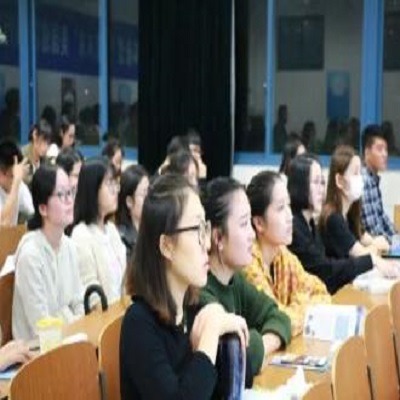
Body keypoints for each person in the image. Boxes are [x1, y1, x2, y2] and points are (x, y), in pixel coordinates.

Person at [120, 174, 249, 400]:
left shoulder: (193, 308)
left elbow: (239, 382)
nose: (207, 243)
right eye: (197, 230)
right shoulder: (138, 323)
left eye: (205, 228)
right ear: (167, 246)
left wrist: (224, 331)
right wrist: (210, 335)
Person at [199, 177, 291, 377]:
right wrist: (260, 346)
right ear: (218, 237)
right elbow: (236, 358)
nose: (252, 234)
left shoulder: (235, 279)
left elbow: (279, 316)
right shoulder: (200, 291)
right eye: (243, 224)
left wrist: (258, 343)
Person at [244, 171, 330, 337]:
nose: (290, 216)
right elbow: (278, 320)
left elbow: (321, 292)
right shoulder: (249, 264)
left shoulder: (282, 255)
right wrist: (304, 302)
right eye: (281, 208)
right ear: (259, 223)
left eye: (288, 205)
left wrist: (295, 306)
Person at [288, 154, 380, 294]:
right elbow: (324, 270)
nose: (321, 189)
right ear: (300, 185)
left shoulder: (309, 223)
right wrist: (370, 260)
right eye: (316, 182)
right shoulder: (294, 227)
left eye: (322, 182)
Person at [12, 165, 84, 340]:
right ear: (43, 208)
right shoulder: (30, 255)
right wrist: (70, 318)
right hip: (35, 349)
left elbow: (78, 303)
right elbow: (41, 326)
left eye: (70, 192)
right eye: (61, 194)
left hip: (69, 339)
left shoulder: (69, 246)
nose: (69, 200)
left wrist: (74, 322)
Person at [319, 145, 399, 277]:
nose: (360, 179)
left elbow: (366, 239)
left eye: (361, 173)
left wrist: (376, 243)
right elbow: (362, 255)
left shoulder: (349, 214)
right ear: (339, 180)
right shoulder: (333, 218)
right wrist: (375, 246)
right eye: (355, 173)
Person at [71, 158, 126, 305]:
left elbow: (125, 284)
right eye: (109, 184)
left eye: (116, 183)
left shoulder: (111, 230)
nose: (116, 190)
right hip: (103, 316)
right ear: (92, 189)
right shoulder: (81, 235)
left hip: (121, 311)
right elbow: (92, 298)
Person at [361, 124, 397, 243]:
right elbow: (373, 230)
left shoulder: (373, 179)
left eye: (386, 150)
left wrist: (396, 235)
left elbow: (381, 217)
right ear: (367, 152)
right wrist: (392, 241)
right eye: (380, 149)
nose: (385, 154)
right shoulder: (365, 181)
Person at [116, 165, 149, 260]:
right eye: (144, 194)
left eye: (149, 191)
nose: (149, 198)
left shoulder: (153, 228)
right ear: (129, 201)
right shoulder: (121, 239)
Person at [0, 140, 33, 226]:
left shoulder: (19, 185)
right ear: (2, 172)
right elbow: (3, 225)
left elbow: (33, 213)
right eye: (12, 175)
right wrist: (16, 182)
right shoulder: (16, 182)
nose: (15, 178)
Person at [22, 120, 52, 187]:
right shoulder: (22, 156)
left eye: (48, 143)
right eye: (43, 141)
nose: (46, 147)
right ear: (35, 136)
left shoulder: (45, 160)